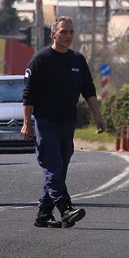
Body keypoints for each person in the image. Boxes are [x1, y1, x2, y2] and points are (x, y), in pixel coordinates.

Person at [21, 16, 105, 228]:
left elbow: (89, 90)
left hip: (68, 122)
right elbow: (29, 94)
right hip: (46, 121)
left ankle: (43, 213)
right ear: (53, 34)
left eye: (70, 32)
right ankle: (65, 208)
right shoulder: (41, 60)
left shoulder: (77, 60)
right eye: (63, 32)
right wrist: (26, 123)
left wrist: (97, 115)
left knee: (61, 167)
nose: (68, 36)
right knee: (53, 166)